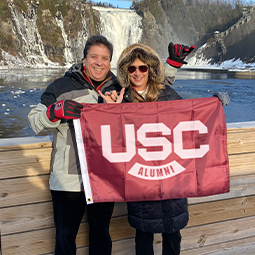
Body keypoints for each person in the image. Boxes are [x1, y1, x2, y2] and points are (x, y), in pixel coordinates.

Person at [99, 42, 229, 255]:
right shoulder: (119, 98)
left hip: (172, 179)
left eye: (143, 68)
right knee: (143, 236)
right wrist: (112, 111)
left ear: (150, 69)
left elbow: (191, 118)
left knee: (172, 235)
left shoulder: (167, 93)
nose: (138, 73)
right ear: (126, 71)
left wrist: (214, 104)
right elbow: (109, 138)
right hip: (141, 180)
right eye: (132, 68)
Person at [28, 35, 122, 255]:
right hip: (68, 180)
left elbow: (150, 105)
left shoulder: (119, 88)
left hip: (104, 178)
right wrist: (54, 112)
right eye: (94, 57)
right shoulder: (62, 86)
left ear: (110, 62)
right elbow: (35, 123)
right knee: (65, 238)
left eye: (105, 58)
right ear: (84, 59)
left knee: (101, 235)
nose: (99, 62)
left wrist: (172, 68)